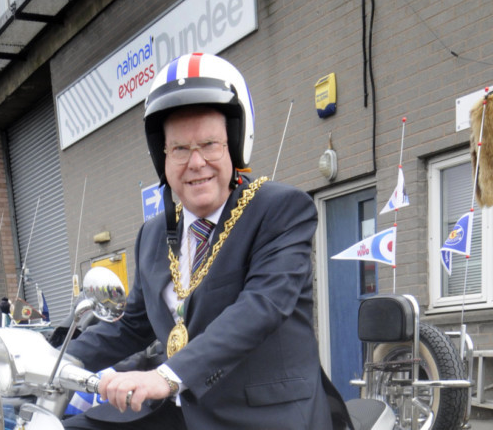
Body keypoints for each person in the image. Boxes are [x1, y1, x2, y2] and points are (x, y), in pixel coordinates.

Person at [64, 53, 349, 429]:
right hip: (184, 412)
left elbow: (259, 307)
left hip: (265, 416)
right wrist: (52, 356)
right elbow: (131, 325)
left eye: (210, 145)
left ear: (232, 146)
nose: (196, 162)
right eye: (180, 149)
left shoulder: (280, 209)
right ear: (162, 158)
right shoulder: (153, 234)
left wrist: (164, 377)